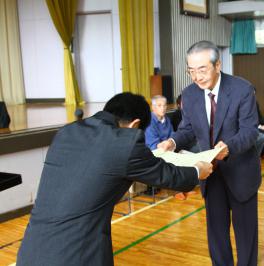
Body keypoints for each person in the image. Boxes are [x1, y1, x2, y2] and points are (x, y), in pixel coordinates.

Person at [16, 92, 213, 266]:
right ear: (135, 124)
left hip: (31, 251)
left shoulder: (67, 132)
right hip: (77, 255)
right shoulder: (124, 143)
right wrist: (197, 170)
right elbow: (168, 176)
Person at [158, 40, 261, 266]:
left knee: (246, 235)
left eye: (202, 69)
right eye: (191, 71)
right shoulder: (189, 94)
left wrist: (229, 148)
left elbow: (250, 131)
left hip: (240, 170)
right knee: (216, 234)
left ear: (217, 65)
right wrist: (172, 142)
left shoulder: (242, 89)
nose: (197, 77)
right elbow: (187, 130)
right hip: (210, 173)